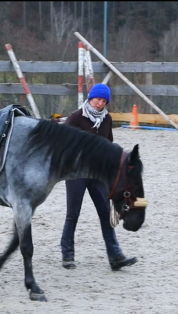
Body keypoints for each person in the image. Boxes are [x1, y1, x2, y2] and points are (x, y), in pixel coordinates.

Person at [60, 83, 137, 271]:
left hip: (97, 174)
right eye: (97, 99)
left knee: (105, 214)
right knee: (73, 214)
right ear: (90, 98)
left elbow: (108, 143)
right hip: (76, 172)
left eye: (103, 101)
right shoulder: (76, 117)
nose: (99, 103)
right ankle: (67, 253)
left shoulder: (107, 119)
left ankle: (115, 256)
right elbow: (63, 143)